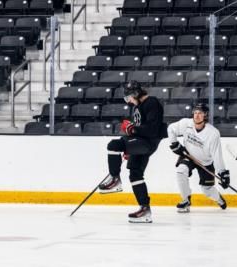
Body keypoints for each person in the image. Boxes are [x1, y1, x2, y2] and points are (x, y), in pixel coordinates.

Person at [98, 80, 166, 223]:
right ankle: (145, 210)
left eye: (129, 97)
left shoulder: (152, 103)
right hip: (140, 143)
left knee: (114, 145)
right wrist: (130, 146)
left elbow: (152, 129)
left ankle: (115, 179)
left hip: (147, 143)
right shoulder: (137, 107)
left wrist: (132, 129)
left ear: (135, 94)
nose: (128, 101)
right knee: (135, 173)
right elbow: (138, 128)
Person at [167, 103, 230, 213]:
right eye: (195, 113)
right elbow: (171, 128)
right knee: (181, 171)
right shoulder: (186, 123)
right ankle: (186, 200)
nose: (196, 115)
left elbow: (217, 154)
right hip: (188, 156)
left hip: (205, 162)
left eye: (200, 113)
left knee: (207, 190)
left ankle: (219, 199)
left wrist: (222, 172)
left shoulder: (213, 133)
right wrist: (174, 143)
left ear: (205, 115)